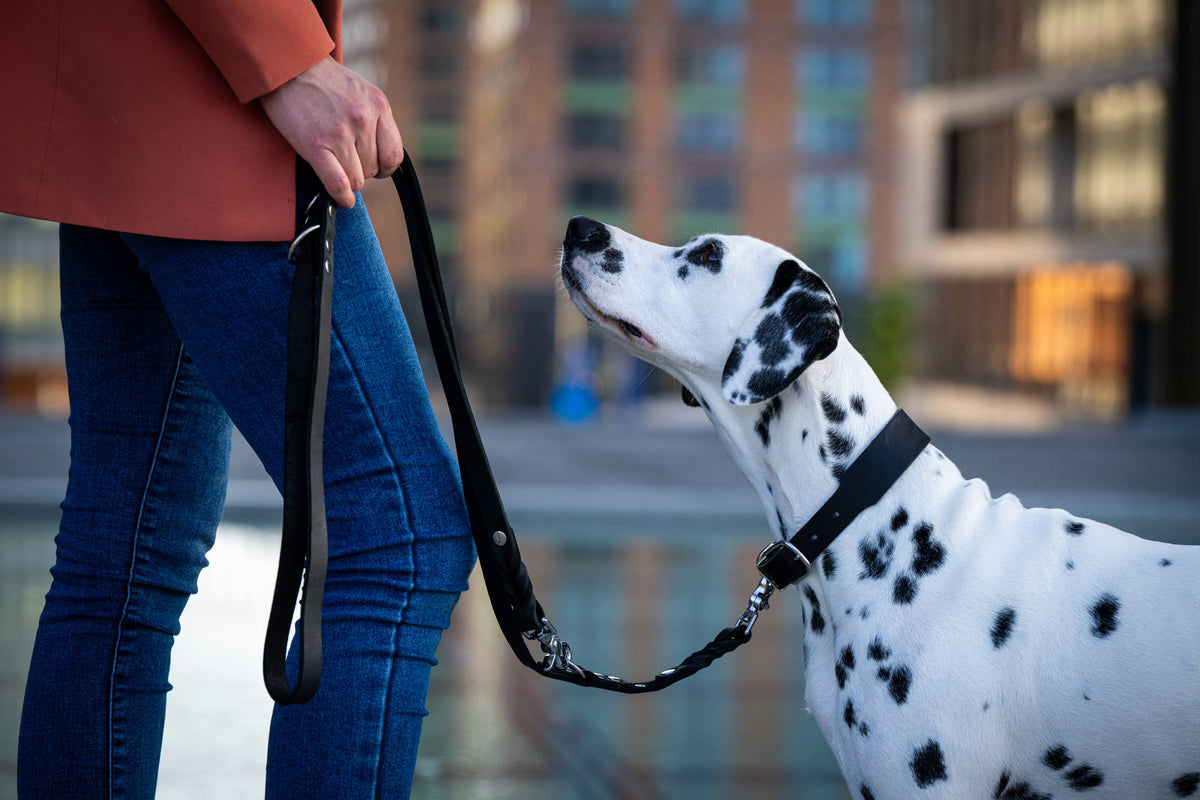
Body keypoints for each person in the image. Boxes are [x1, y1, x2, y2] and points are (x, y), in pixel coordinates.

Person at [0, 2, 476, 797]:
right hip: (212, 93)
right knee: (397, 533)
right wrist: (288, 61)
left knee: (124, 549)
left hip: (119, 88)